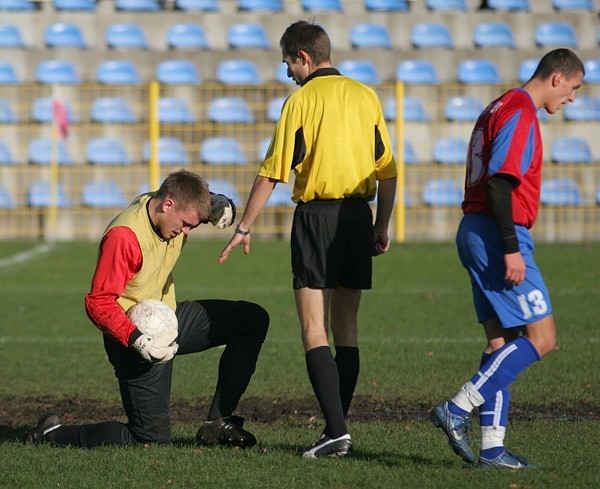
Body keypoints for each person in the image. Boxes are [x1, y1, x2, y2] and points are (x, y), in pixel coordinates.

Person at [218, 20, 397, 458]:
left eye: (288, 64)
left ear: (303, 57)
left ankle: (335, 430)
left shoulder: (300, 101)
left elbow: (273, 170)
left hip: (317, 218)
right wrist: (382, 224)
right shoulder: (366, 95)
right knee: (347, 329)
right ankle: (339, 428)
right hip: (359, 217)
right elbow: (388, 171)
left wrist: (244, 226)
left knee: (313, 328)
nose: (287, 74)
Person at [25, 169, 269, 448]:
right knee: (150, 440)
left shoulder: (173, 205)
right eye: (186, 224)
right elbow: (98, 302)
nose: (187, 232)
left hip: (167, 318)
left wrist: (222, 204)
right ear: (167, 205)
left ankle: (217, 423)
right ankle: (51, 434)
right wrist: (137, 340)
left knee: (252, 320)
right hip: (132, 335)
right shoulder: (124, 237)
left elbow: (200, 199)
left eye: (194, 225)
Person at [430, 48, 584, 469]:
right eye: (573, 89)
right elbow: (500, 184)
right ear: (556, 79)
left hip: (475, 229)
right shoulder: (520, 110)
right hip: (499, 233)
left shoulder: (497, 105)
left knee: (501, 343)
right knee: (542, 338)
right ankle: (456, 408)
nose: (572, 99)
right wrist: (511, 248)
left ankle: (493, 449)